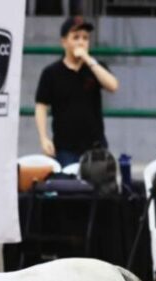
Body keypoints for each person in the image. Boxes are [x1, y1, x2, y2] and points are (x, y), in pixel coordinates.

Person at [35, 16, 119, 168]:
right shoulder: (51, 73)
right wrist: (43, 138)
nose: (81, 42)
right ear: (64, 42)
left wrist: (88, 59)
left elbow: (113, 85)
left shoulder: (95, 67)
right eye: (76, 37)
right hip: (65, 148)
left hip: (95, 146)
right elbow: (41, 106)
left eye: (85, 38)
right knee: (68, 188)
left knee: (98, 189)